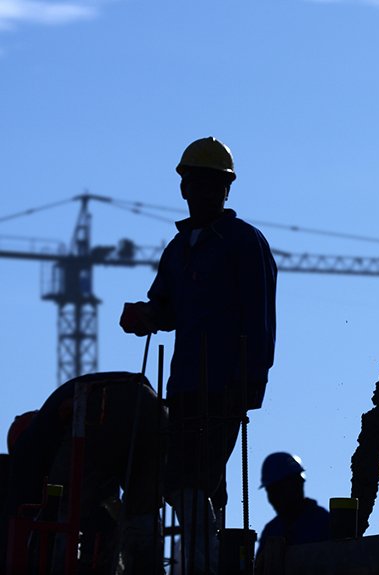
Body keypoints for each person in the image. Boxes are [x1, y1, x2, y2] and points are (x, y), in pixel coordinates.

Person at [120, 136, 278, 573]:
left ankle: (203, 566)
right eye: (197, 183)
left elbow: (261, 317)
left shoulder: (245, 244)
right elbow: (168, 307)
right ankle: (206, 559)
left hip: (225, 382)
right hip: (185, 384)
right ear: (184, 187)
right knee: (190, 481)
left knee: (192, 479)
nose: (205, 191)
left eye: (214, 183)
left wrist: (250, 385)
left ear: (227, 189)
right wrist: (146, 315)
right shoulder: (178, 250)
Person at [1, 372, 166, 574]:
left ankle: (67, 564)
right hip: (152, 403)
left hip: (104, 403)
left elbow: (18, 507)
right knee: (142, 506)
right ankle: (148, 567)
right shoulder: (49, 423)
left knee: (66, 494)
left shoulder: (29, 446)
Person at [254, 452, 329, 572]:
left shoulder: (323, 523)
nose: (273, 498)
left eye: (277, 490)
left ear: (297, 485)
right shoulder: (272, 530)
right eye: (271, 491)